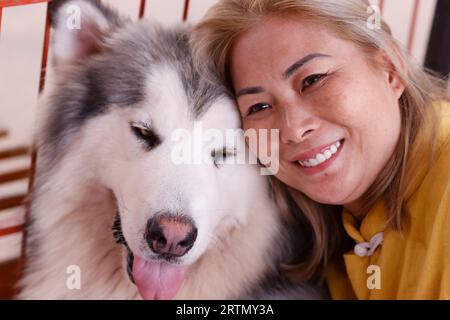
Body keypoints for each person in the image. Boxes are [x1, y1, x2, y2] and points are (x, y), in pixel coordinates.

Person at [191, 0, 450, 299]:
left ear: (390, 69)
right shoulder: (334, 226)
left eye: (313, 80)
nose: (293, 130)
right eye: (259, 106)